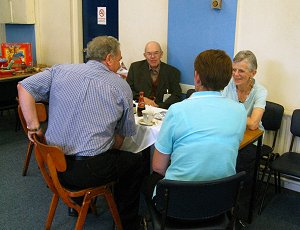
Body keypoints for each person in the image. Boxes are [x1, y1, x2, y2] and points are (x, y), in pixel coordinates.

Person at [17, 36, 144, 230]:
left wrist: (33, 126)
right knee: (135, 160)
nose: (120, 63)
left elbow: (24, 86)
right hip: (87, 171)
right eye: (119, 59)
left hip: (55, 166)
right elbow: (123, 136)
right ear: (109, 58)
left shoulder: (60, 70)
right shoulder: (120, 86)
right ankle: (127, 222)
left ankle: (78, 207)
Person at [142, 49, 247, 205]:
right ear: (227, 79)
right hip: (221, 198)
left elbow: (158, 167)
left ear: (197, 77)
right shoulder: (240, 111)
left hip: (179, 201)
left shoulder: (177, 110)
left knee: (148, 181)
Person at [222, 50, 268, 223]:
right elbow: (220, 111)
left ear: (253, 73)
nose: (235, 74)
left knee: (243, 164)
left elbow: (254, 124)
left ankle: (239, 214)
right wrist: (240, 117)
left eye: (241, 71)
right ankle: (220, 205)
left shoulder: (260, 91)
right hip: (229, 134)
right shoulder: (228, 85)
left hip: (252, 140)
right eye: (234, 70)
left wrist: (231, 113)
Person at [126, 41, 182, 109]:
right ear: (145, 55)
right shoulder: (135, 68)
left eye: (156, 53)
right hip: (141, 109)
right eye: (149, 54)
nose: (152, 57)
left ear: (161, 54)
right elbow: (127, 90)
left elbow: (177, 95)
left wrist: (159, 106)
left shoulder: (173, 72)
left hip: (162, 111)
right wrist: (141, 98)